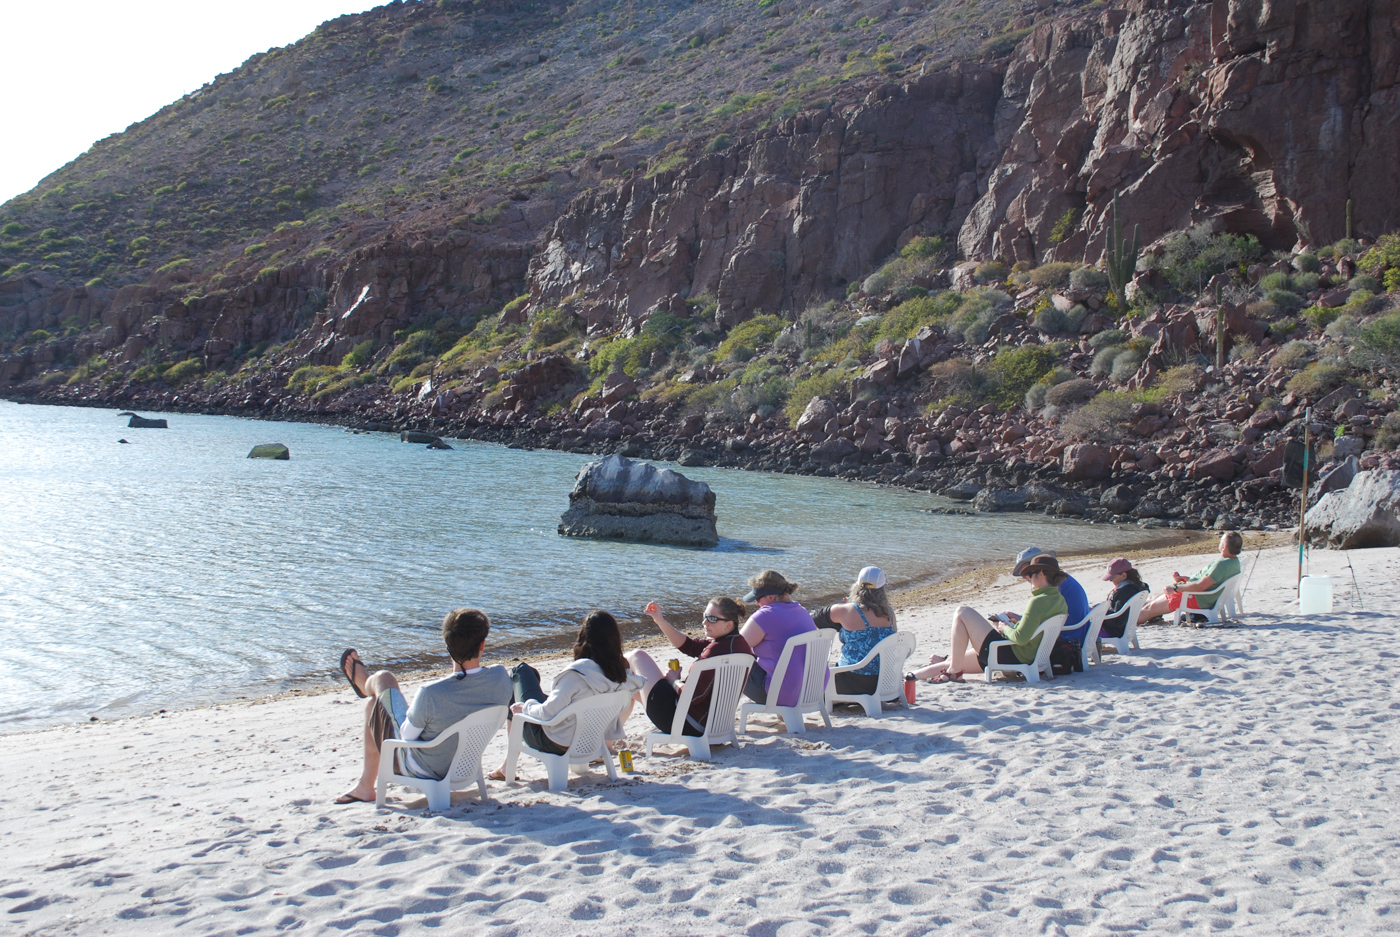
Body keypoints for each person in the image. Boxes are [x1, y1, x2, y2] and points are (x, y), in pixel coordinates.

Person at [333, 608, 512, 805]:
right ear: (482, 645)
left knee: (384, 679)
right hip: (464, 766)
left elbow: (407, 736)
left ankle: (366, 683)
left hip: (420, 769)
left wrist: (415, 712)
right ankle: (365, 787)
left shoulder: (432, 693)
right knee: (373, 706)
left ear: (448, 647)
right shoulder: (500, 677)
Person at [492, 610, 644, 775]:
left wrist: (526, 708)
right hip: (591, 742)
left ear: (583, 637)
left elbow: (547, 714)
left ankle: (508, 767)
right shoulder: (621, 674)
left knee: (520, 672)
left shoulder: (578, 674)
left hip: (556, 742)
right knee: (529, 681)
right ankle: (507, 766)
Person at [910, 554, 1069, 683]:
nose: (1028, 578)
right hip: (1026, 655)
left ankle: (953, 672)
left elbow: (1021, 638)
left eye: (1031, 574)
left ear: (1041, 575)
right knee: (953, 660)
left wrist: (1003, 628)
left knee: (962, 612)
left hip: (1011, 655)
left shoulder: (1038, 601)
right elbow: (1035, 630)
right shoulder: (1059, 601)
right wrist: (1015, 623)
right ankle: (912, 676)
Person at [625, 597, 753, 736]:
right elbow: (690, 647)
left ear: (728, 625)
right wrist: (660, 620)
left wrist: (674, 681)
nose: (705, 622)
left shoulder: (715, 651)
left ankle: (606, 665)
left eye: (712, 619)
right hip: (714, 724)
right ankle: (608, 743)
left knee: (636, 656)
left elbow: (692, 697)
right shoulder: (738, 645)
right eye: (705, 616)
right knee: (627, 687)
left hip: (685, 723)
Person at [738, 569, 825, 706]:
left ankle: (716, 711)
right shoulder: (802, 611)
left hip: (780, 695)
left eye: (758, 598)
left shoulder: (766, 615)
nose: (757, 603)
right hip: (812, 692)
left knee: (733, 659)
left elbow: (734, 645)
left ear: (771, 596)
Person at [817, 566, 898, 696]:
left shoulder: (846, 610)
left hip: (851, 684)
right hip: (885, 684)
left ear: (857, 587)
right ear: (883, 589)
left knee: (815, 674)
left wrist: (847, 608)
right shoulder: (890, 613)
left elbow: (816, 618)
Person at [1138, 531, 1243, 623]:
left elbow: (1200, 587)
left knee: (1148, 608)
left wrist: (1175, 588)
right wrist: (1188, 580)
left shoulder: (1221, 565)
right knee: (1152, 598)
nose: (1219, 543)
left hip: (1195, 598)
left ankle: (1125, 623)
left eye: (1221, 541)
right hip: (1199, 595)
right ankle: (1128, 613)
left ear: (1224, 547)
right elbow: (1210, 582)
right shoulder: (1234, 562)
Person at [1011, 547, 1091, 643]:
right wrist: (1021, 619)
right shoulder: (1061, 581)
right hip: (1079, 633)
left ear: (1040, 571)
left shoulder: (1054, 589)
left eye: (1028, 572)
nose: (1024, 577)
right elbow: (1048, 615)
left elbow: (1026, 634)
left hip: (1066, 637)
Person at [1100, 557, 1150, 639]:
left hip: (1113, 631)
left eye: (1112, 578)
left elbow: (1117, 619)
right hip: (1125, 628)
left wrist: (1099, 612)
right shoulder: (1138, 587)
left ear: (1123, 575)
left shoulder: (1125, 592)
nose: (1110, 581)